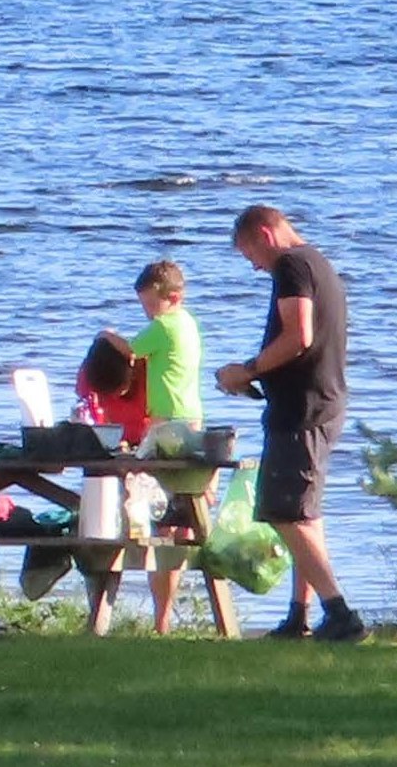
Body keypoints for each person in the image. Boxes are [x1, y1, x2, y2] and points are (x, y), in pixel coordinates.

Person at [213, 201, 364, 639]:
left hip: (304, 409)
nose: (255, 268)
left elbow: (299, 336)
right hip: (319, 402)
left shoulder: (292, 266)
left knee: (284, 512)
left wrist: (250, 370)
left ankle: (340, 613)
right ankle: (300, 613)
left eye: (250, 256)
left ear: (265, 234)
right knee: (304, 514)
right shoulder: (317, 263)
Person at [128, 260, 209, 448]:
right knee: (185, 464)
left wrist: (106, 336)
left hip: (167, 411)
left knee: (152, 459)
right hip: (192, 410)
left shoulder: (163, 325)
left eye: (150, 304)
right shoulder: (189, 322)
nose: (147, 312)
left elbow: (131, 350)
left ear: (173, 298)